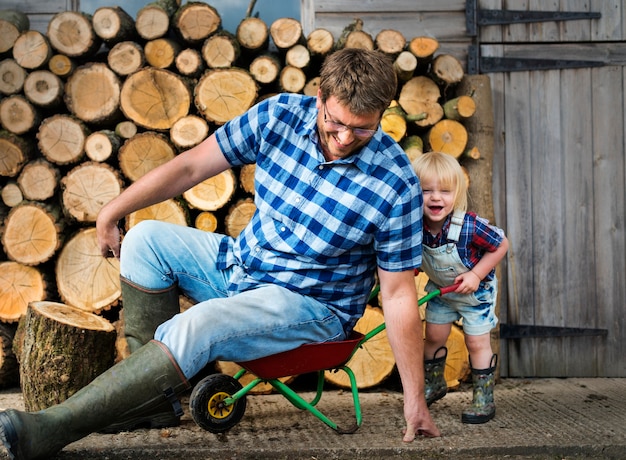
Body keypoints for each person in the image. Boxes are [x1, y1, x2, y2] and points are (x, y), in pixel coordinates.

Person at [0, 48, 440, 460]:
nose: (345, 138)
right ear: (319, 96)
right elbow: (192, 165)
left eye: (362, 128)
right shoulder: (278, 116)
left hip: (311, 306)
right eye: (335, 122)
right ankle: (151, 406)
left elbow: (400, 294)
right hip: (241, 265)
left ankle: (52, 428)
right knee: (145, 239)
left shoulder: (395, 182)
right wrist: (113, 210)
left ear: (383, 113)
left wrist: (414, 399)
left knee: (199, 323)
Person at [411, 151, 508, 424]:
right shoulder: (415, 227)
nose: (435, 197)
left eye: (444, 190)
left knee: (476, 341)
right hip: (442, 293)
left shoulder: (468, 225)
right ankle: (434, 383)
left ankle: (483, 398)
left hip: (475, 294)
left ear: (457, 192)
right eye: (426, 190)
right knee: (433, 336)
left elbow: (501, 244)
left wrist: (476, 275)